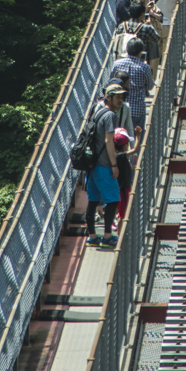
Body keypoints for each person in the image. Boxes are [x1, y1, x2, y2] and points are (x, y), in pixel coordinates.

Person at [85, 81, 126, 248]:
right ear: (108, 97)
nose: (120, 100)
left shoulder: (97, 109)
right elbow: (110, 141)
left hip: (92, 163)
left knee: (93, 200)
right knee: (114, 199)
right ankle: (108, 236)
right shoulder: (110, 115)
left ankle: (92, 237)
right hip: (103, 164)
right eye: (117, 97)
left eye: (122, 97)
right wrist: (114, 165)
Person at [111, 37, 155, 134]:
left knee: (119, 135)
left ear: (127, 50)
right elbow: (150, 86)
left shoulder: (117, 64)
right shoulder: (144, 67)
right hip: (137, 109)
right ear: (140, 52)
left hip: (119, 107)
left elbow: (111, 81)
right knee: (137, 136)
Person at [114, 0, 165, 78]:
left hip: (122, 60)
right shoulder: (146, 28)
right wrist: (150, 24)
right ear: (142, 14)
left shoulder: (122, 26)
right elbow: (156, 38)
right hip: (139, 62)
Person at [113, 127, 138, 222]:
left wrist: (130, 166)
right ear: (125, 145)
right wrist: (138, 135)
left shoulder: (116, 156)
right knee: (122, 215)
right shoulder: (121, 155)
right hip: (123, 188)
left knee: (120, 211)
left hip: (120, 187)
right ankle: (120, 235)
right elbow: (135, 149)